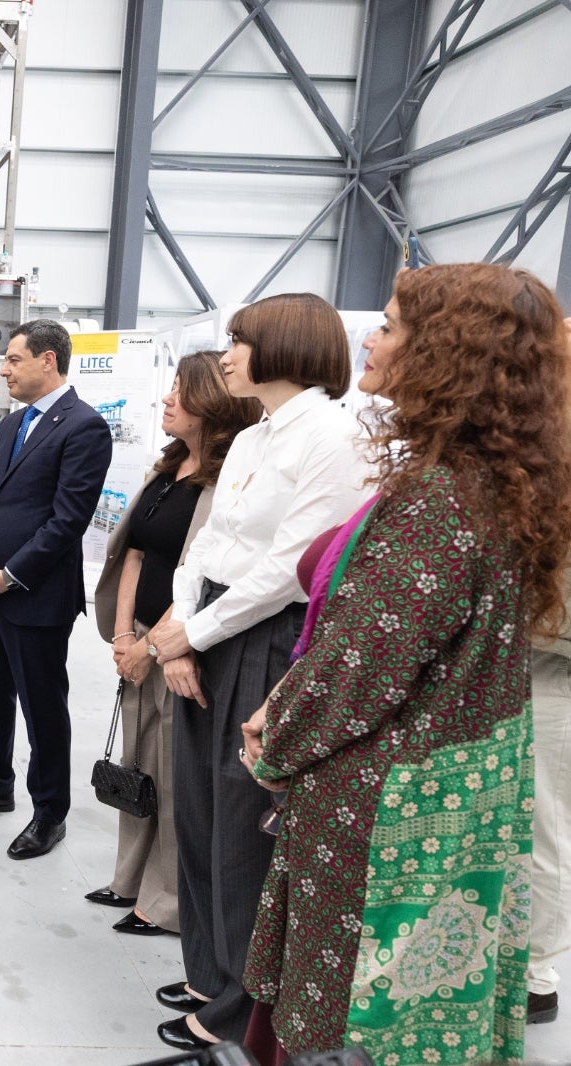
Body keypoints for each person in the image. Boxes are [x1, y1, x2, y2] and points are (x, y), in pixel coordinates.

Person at [237, 264, 571, 1064]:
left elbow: (360, 667)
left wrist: (277, 744)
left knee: (346, 1021)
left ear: (447, 353)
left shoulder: (437, 499)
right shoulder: (497, 484)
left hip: (380, 811)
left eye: (389, 327)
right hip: (448, 795)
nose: (371, 341)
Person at [144, 292, 372, 1051]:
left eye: (239, 341)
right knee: (198, 811)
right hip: (209, 622)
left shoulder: (333, 437)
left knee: (243, 826)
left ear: (285, 348)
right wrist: (180, 630)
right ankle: (210, 972)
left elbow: (287, 569)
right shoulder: (251, 436)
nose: (226, 357)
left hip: (264, 635)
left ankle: (241, 1009)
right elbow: (207, 546)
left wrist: (191, 634)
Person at [89, 352, 261, 937]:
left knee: (172, 773)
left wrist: (153, 647)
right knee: (136, 764)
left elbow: (199, 574)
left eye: (181, 390)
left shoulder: (225, 479)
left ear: (212, 402)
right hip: (138, 637)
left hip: (183, 645)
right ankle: (129, 879)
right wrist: (123, 635)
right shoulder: (167, 469)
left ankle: (165, 903)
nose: (166, 398)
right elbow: (136, 553)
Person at [0, 320, 111, 863]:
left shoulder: (84, 427)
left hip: (34, 595)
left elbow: (67, 521)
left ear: (48, 360)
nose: (6, 371)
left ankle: (49, 813)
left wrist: (10, 575)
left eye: (14, 360)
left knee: (42, 708)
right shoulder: (12, 423)